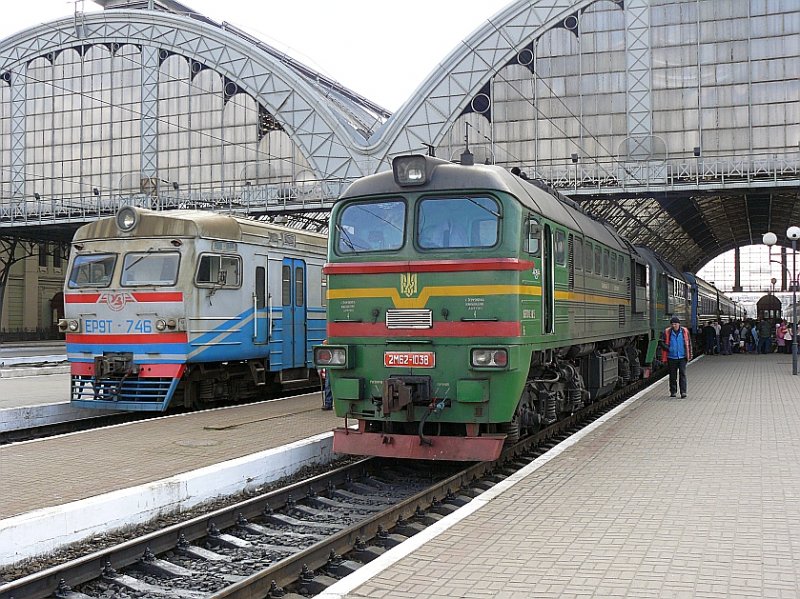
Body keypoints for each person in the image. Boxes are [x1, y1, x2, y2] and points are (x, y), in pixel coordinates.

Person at [660, 315, 691, 398]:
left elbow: (689, 344)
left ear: (679, 324)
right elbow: (661, 342)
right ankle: (673, 391)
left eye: (675, 324)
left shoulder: (685, 331)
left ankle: (683, 392)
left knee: (682, 375)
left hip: (682, 357)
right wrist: (668, 348)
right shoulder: (667, 332)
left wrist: (689, 355)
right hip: (671, 357)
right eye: (672, 324)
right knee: (672, 376)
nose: (674, 326)